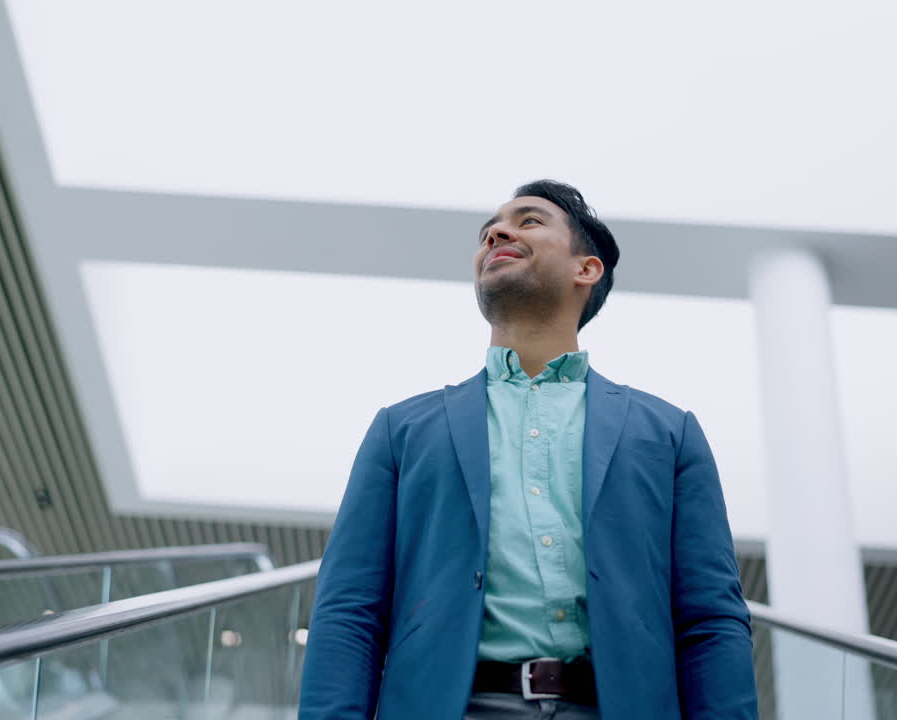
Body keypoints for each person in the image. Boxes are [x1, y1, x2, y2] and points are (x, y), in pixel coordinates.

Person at [299, 180, 757, 719]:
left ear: (586, 269)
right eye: (488, 229)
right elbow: (349, 613)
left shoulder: (669, 434)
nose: (497, 232)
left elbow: (711, 621)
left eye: (529, 220)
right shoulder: (401, 431)